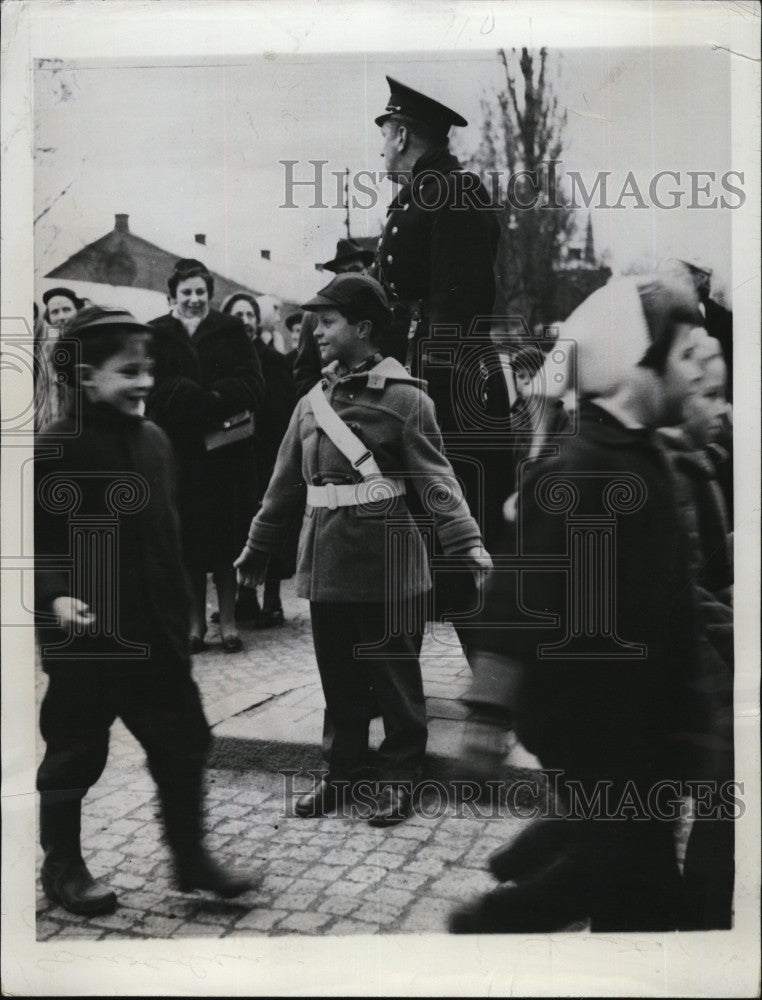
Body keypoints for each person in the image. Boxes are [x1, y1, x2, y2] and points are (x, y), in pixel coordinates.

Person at [450, 267, 712, 933]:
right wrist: (487, 706)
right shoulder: (580, 470)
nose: (700, 372)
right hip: (591, 716)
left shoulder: (642, 455)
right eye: (685, 356)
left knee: (634, 869)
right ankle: (494, 921)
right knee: (627, 863)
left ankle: (549, 845)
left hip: (637, 714)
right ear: (634, 371)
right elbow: (519, 593)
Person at [235, 274, 491, 826]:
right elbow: (282, 486)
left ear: (364, 328)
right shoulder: (311, 403)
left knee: (396, 680)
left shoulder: (405, 399)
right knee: (339, 679)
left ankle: (401, 776)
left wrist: (466, 542)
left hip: (389, 564)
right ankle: (343, 772)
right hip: (326, 563)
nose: (316, 333)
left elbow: (438, 481)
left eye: (327, 323)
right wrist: (258, 546)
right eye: (314, 323)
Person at [34, 306, 253, 916]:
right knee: (75, 753)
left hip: (155, 635)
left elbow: (167, 537)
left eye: (148, 369)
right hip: (89, 640)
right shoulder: (58, 447)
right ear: (83, 377)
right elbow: (34, 538)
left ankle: (191, 859)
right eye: (127, 371)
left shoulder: (156, 441)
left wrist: (182, 619)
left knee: (182, 743)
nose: (144, 382)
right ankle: (63, 866)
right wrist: (55, 594)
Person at [373, 76, 513, 643]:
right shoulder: (422, 193)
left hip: (450, 394)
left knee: (461, 544)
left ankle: (498, 695)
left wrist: (422, 405)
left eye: (384, 135)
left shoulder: (452, 192)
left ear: (402, 133)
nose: (381, 148)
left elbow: (457, 306)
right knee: (423, 551)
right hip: (423, 381)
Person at [147, 260, 264, 653]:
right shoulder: (157, 334)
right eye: (186, 293)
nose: (194, 300)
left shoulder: (230, 331)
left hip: (225, 454)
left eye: (200, 292)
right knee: (189, 542)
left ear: (209, 295)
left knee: (226, 539)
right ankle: (195, 624)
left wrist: (215, 399)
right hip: (178, 453)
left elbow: (253, 382)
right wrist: (182, 395)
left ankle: (229, 623)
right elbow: (150, 386)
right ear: (172, 296)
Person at [657, 332, 734, 929]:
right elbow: (681, 590)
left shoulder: (702, 465)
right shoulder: (669, 473)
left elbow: (714, 570)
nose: (722, 409)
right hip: (683, 678)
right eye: (710, 394)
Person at [220, 292, 298, 627]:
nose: (245, 321)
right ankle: (244, 597)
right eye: (237, 315)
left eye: (250, 314)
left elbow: (284, 411)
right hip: (232, 457)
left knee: (273, 527)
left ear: (259, 321)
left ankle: (273, 600)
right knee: (236, 527)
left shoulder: (275, 362)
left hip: (267, 455)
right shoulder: (222, 361)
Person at [292, 238, 379, 399]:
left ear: (366, 270)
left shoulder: (380, 311)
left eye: (355, 268)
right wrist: (329, 394)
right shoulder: (313, 315)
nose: (348, 275)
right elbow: (304, 375)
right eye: (341, 271)